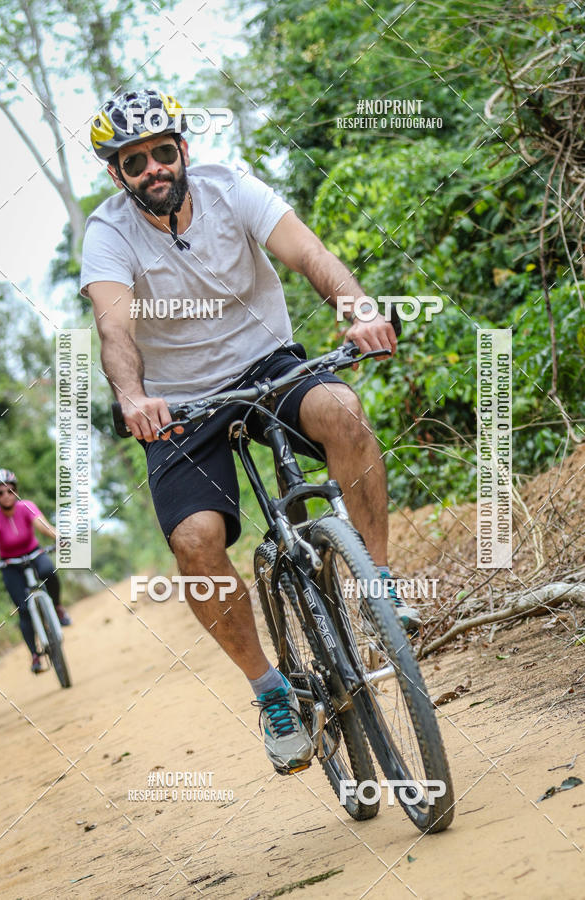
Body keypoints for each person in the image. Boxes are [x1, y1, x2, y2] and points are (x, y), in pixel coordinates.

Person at [81, 88, 421, 774]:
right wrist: (133, 395)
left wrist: (357, 311)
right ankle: (271, 693)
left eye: (163, 152)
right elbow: (114, 327)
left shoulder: (229, 186)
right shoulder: (108, 233)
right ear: (118, 174)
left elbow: (311, 255)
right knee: (194, 542)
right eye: (135, 160)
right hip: (180, 404)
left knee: (344, 413)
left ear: (184, 150)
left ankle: (379, 588)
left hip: (268, 363)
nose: (154, 168)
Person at [0, 469, 70, 674]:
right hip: (10, 564)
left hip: (34, 553)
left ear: (15, 490)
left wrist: (58, 536)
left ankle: (57, 607)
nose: (5, 496)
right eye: (0, 493)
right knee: (23, 610)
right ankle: (34, 655)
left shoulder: (26, 507)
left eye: (9, 490)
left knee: (49, 571)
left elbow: (43, 526)